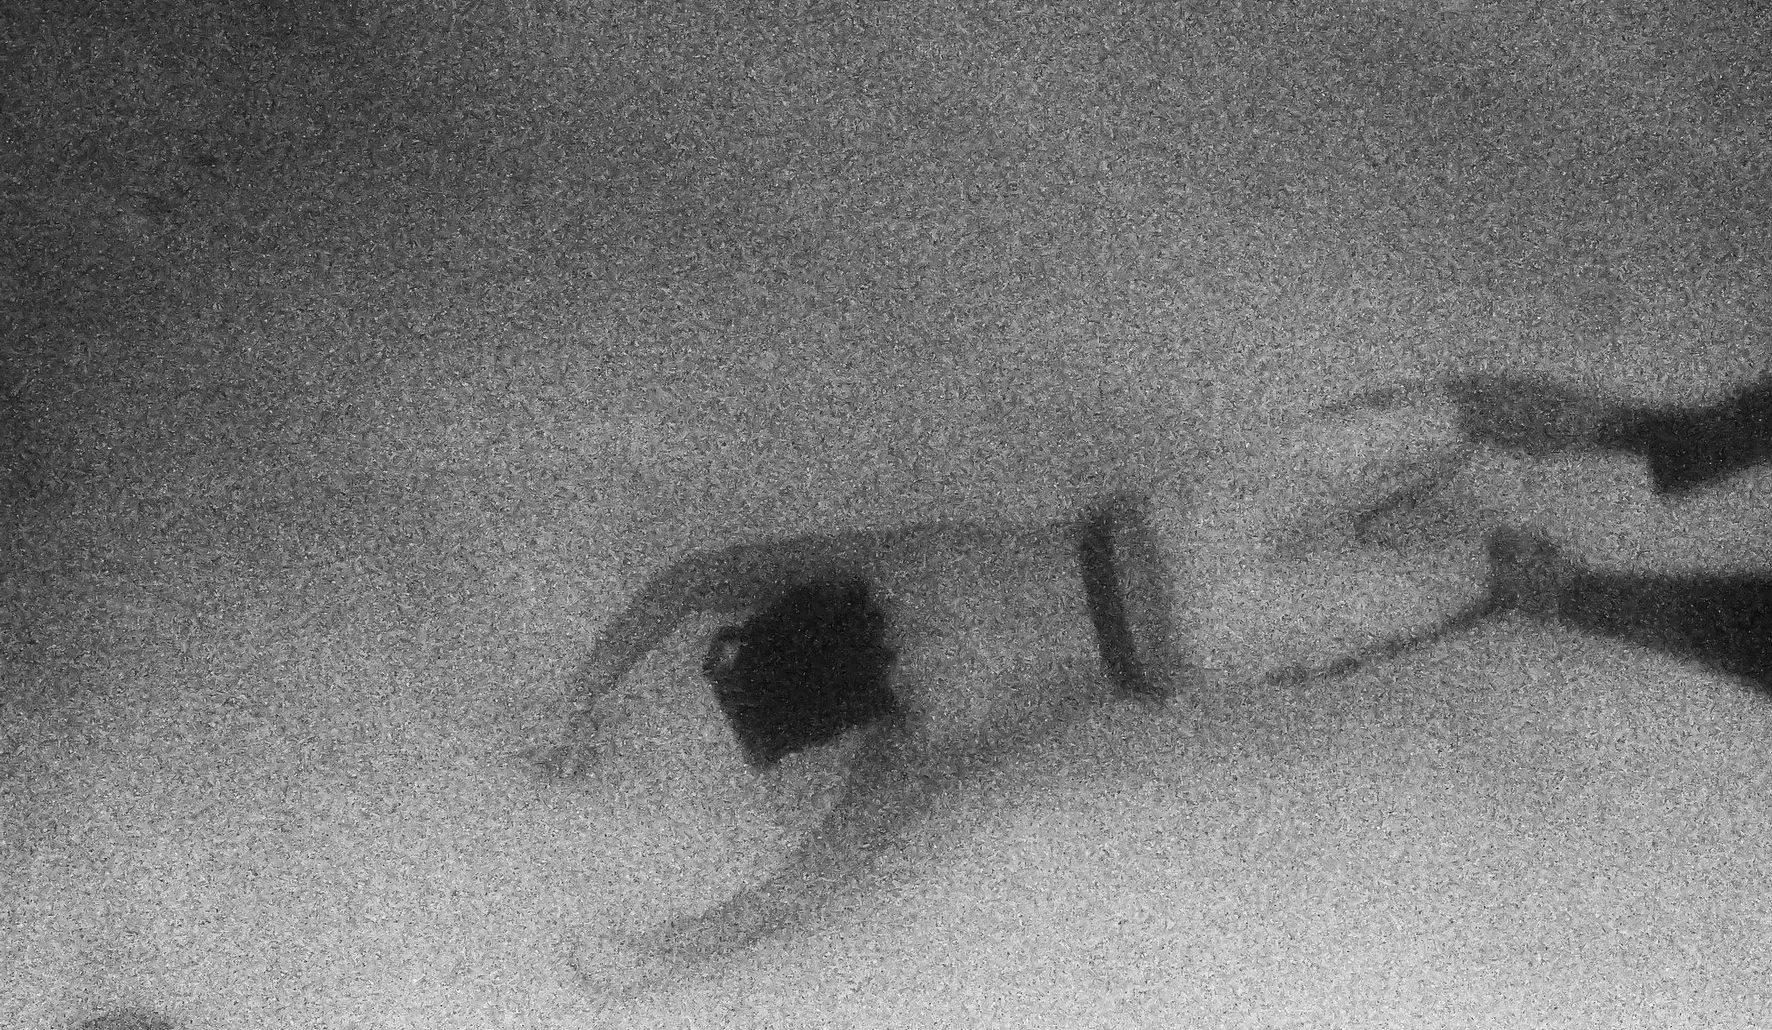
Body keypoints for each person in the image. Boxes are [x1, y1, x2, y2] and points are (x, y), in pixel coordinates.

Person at [525, 385, 1546, 994]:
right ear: (792, 625)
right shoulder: (893, 570)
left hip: (1197, 635)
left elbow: (804, 886)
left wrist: (648, 950)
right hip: (1169, 532)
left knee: (1480, 577)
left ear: (839, 722)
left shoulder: (925, 732)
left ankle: (1469, 553)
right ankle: (1423, 491)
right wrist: (580, 696)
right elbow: (695, 580)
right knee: (1446, 429)